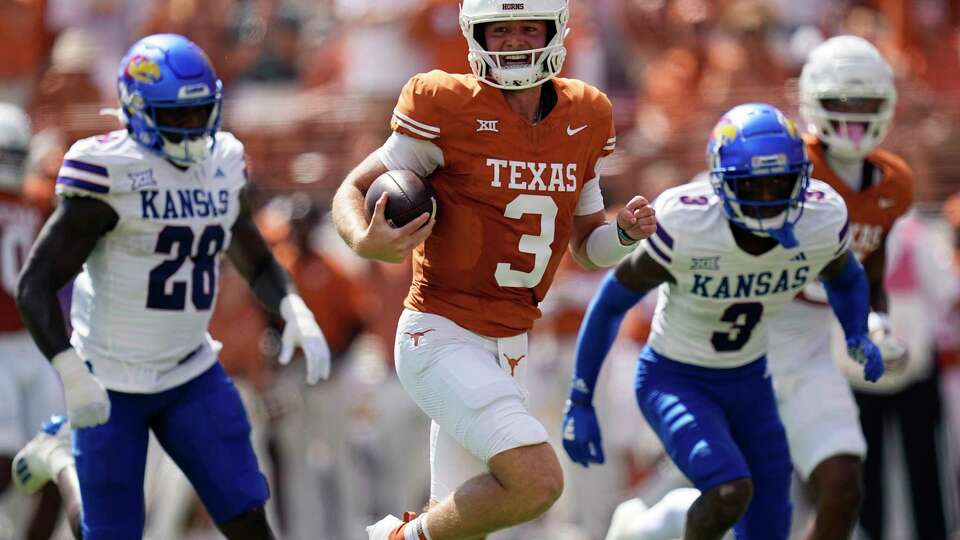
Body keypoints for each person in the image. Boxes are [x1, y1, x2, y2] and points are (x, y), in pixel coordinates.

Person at [330, 1, 657, 538]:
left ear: (556, 30)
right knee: (536, 482)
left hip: (510, 346)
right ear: (473, 33)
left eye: (527, 27)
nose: (512, 41)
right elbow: (354, 188)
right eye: (498, 29)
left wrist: (623, 236)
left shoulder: (587, 114)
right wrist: (364, 239)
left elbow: (587, 247)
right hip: (440, 334)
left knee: (469, 523)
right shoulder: (444, 103)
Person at [11, 33, 331, 540]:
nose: (192, 130)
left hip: (191, 372)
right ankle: (60, 457)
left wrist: (293, 308)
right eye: (175, 116)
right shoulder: (109, 173)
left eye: (200, 113)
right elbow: (35, 285)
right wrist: (73, 376)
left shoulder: (223, 162)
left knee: (250, 521)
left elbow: (251, 253)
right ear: (136, 110)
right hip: (111, 379)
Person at [601, 35, 917, 540]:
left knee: (843, 485)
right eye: (841, 102)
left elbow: (866, 269)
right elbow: (712, 215)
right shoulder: (779, 154)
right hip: (750, 343)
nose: (854, 116)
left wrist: (875, 326)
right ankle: (647, 527)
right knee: (736, 498)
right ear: (813, 102)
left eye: (867, 103)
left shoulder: (892, 184)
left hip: (812, 349)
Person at [0, 103, 66, 540]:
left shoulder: (39, 198)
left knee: (61, 465)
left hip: (35, 343)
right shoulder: (38, 198)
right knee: (4, 465)